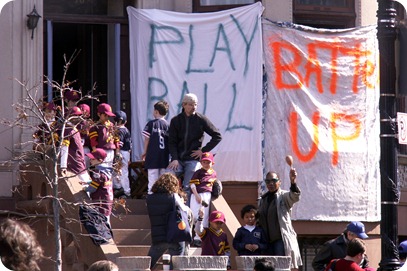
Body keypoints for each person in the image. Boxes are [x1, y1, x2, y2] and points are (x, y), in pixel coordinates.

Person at [168, 93, 222, 201]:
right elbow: (172, 141)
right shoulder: (176, 120)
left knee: (188, 186)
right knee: (168, 180)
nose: (194, 107)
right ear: (184, 105)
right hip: (178, 159)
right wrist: (174, 158)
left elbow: (217, 136)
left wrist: (203, 151)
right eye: (191, 104)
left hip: (193, 159)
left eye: (195, 105)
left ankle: (187, 213)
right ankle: (172, 209)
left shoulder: (201, 119)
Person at [257, 169, 302, 270]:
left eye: (273, 180)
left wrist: (293, 182)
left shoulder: (283, 196)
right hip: (266, 242)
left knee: (281, 267)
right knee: (266, 268)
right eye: (268, 181)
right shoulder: (262, 200)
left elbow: (294, 196)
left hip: (280, 240)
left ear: (279, 182)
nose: (271, 183)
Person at [146, 172, 190, 268]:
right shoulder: (173, 196)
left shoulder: (150, 198)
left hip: (158, 237)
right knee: (176, 265)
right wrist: (181, 202)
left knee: (148, 265)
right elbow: (185, 210)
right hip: (174, 236)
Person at [141, 100, 170, 194]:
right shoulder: (167, 125)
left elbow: (146, 139)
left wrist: (144, 151)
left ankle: (151, 198)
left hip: (152, 155)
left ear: (156, 111)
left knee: (152, 179)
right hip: (164, 156)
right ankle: (163, 198)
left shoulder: (151, 124)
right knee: (163, 180)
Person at [189, 151, 216, 246]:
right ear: (201, 163)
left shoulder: (213, 173)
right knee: (195, 215)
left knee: (204, 216)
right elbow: (192, 184)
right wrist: (196, 195)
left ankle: (200, 238)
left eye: (208, 162)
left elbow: (214, 183)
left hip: (207, 195)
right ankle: (192, 236)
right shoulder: (198, 172)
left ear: (212, 163)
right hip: (197, 193)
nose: (206, 164)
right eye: (204, 162)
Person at [60, 106, 91, 186]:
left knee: (87, 183)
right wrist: (63, 166)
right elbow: (64, 148)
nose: (79, 118)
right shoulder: (67, 130)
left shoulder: (73, 128)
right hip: (75, 163)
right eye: (76, 116)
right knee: (85, 184)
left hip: (80, 161)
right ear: (70, 117)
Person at [84, 148, 114, 224]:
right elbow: (100, 183)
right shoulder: (107, 171)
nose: (90, 160)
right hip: (107, 200)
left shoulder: (98, 173)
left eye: (93, 159)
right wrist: (88, 182)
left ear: (100, 160)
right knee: (107, 220)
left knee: (102, 222)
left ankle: (106, 236)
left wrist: (85, 189)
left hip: (100, 201)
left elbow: (92, 189)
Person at [89, 103, 120, 169]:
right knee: (101, 170)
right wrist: (96, 154)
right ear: (99, 114)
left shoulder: (112, 125)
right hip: (101, 151)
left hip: (111, 151)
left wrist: (117, 153)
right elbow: (93, 142)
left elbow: (116, 139)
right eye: (105, 115)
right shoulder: (95, 127)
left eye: (108, 116)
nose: (107, 117)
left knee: (109, 171)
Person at [112, 110, 132, 198]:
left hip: (120, 152)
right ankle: (124, 190)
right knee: (122, 172)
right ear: (126, 121)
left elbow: (118, 144)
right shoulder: (126, 130)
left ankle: (123, 190)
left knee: (119, 172)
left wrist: (117, 153)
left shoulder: (118, 131)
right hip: (126, 152)